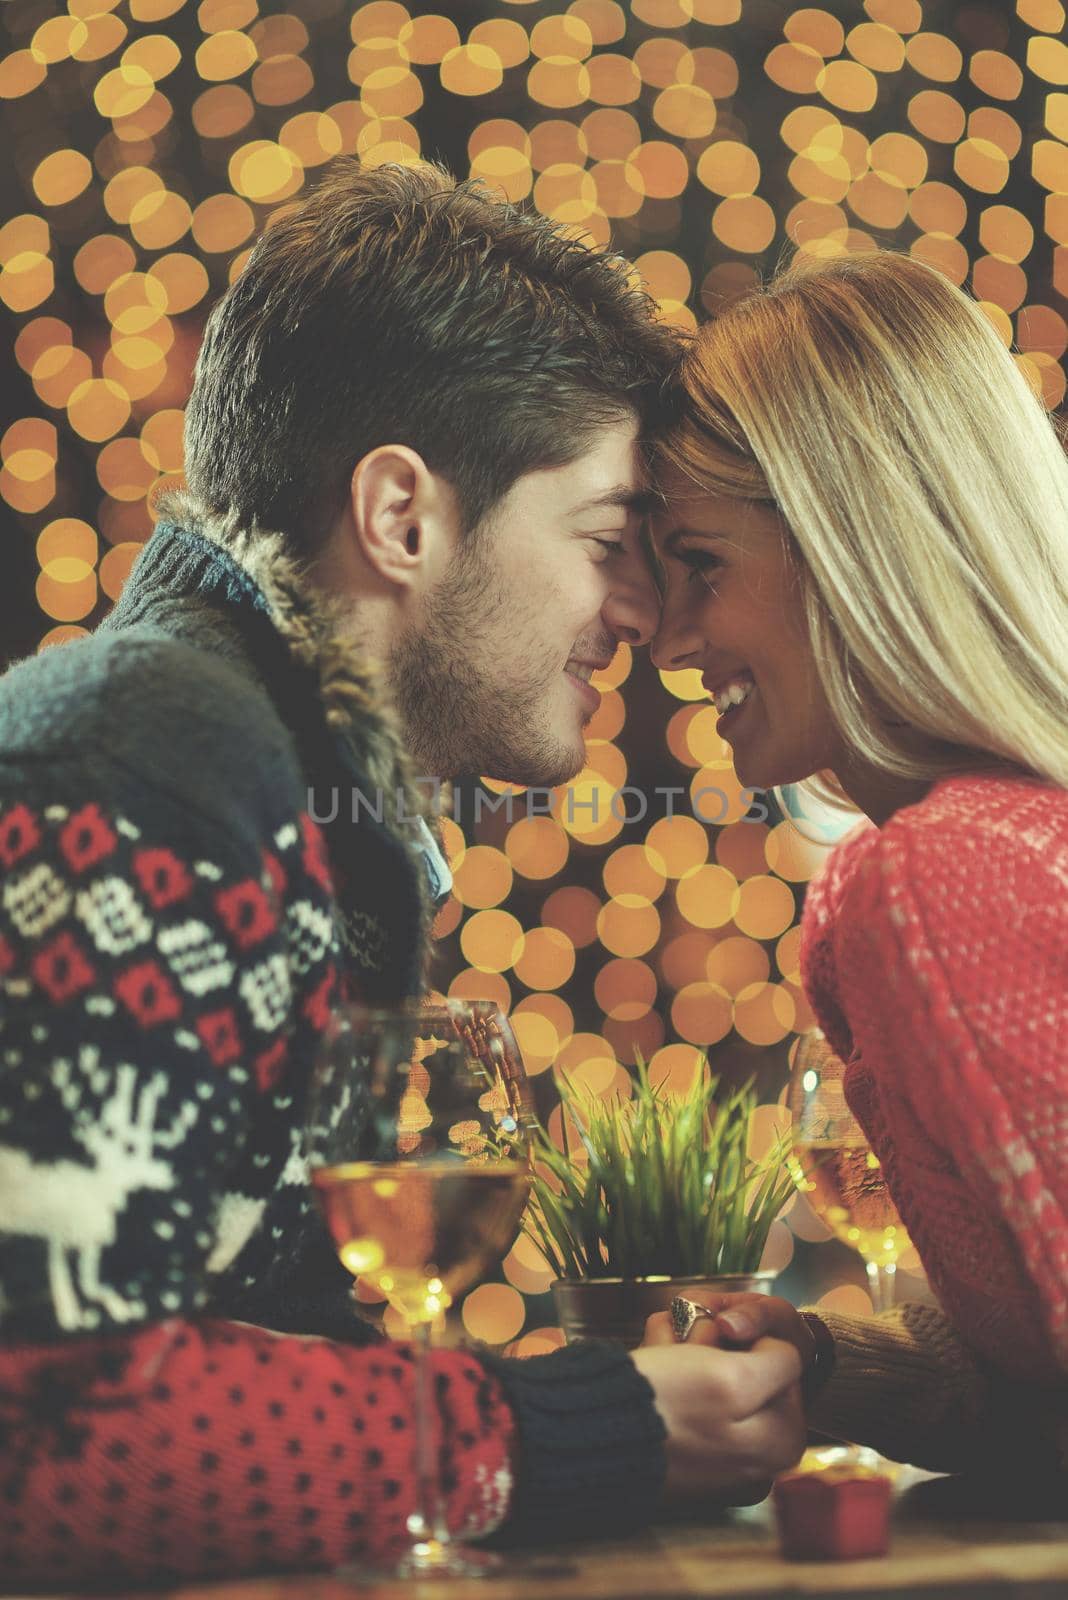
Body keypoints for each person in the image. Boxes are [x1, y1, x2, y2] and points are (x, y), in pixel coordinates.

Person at [0, 158, 806, 1587]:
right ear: (402, 517)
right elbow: (49, 1430)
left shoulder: (288, 785)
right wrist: (552, 1431)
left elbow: (240, 1345)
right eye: (612, 544)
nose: (646, 616)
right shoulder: (147, 771)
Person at [647, 249, 1068, 1476]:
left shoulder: (940, 880)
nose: (672, 639)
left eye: (704, 565)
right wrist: (837, 1362)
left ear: (849, 535)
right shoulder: (1009, 841)